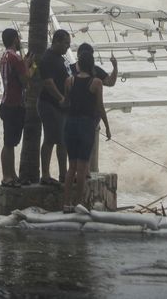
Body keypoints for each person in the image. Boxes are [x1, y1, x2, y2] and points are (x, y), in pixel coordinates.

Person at [62, 43, 106, 210]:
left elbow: (66, 103)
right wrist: (107, 127)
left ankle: (66, 203)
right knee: (82, 169)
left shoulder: (69, 81)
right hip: (86, 125)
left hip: (70, 125)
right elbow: (100, 107)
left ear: (79, 64)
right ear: (92, 64)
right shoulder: (96, 83)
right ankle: (78, 203)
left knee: (71, 167)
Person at [35, 28, 70, 186]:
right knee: (50, 139)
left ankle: (64, 174)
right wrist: (61, 97)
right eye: (65, 43)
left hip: (60, 106)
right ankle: (46, 175)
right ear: (56, 41)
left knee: (62, 140)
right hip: (49, 103)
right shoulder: (47, 58)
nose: (67, 47)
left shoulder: (60, 58)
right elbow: (48, 83)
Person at [0, 28, 30, 187]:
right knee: (9, 143)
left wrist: (25, 64)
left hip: (6, 102)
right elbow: (25, 80)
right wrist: (31, 66)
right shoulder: (16, 58)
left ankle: (11, 175)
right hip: (14, 104)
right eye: (19, 38)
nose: (20, 41)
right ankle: (7, 177)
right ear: (14, 39)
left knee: (9, 142)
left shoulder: (4, 56)